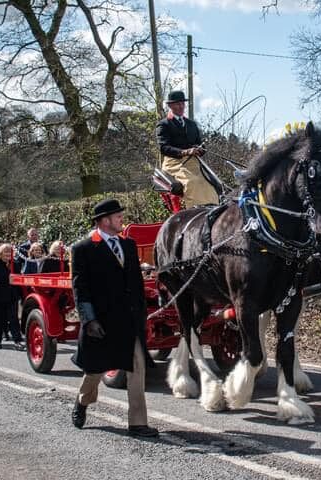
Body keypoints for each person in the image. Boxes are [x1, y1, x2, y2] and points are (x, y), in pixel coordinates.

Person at [70, 198, 157, 437]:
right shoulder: (83, 249)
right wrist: (89, 320)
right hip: (102, 322)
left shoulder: (128, 245)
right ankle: (82, 401)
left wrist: (144, 312)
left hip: (129, 321)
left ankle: (137, 423)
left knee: (137, 368)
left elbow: (136, 285)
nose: (122, 219)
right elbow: (80, 289)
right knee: (95, 371)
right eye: (118, 216)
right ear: (105, 220)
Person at [156, 90, 219, 207]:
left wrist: (200, 149)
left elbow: (200, 144)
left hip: (193, 162)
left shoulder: (191, 124)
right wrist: (184, 152)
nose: (181, 106)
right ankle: (195, 212)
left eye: (182, 104)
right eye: (177, 104)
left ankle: (212, 211)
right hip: (174, 163)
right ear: (170, 105)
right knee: (192, 182)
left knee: (209, 184)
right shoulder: (164, 124)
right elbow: (163, 148)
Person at [0, 244, 24, 350]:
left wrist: (21, 295)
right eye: (5, 252)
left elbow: (19, 281)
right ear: (0, 253)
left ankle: (17, 341)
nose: (8, 254)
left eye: (9, 252)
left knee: (14, 319)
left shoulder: (15, 265)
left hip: (12, 297)